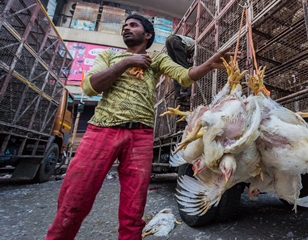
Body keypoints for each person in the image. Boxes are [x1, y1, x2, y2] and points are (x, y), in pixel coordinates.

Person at [45, 14, 238, 240]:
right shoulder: (109, 56)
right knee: (74, 198)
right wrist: (127, 61)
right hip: (101, 130)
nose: (126, 28)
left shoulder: (155, 60)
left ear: (147, 35)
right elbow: (90, 87)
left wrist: (208, 64)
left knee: (133, 207)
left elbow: (184, 77)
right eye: (124, 26)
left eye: (133, 25)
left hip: (140, 135)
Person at [165, 34, 195, 102]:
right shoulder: (196, 44)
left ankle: (178, 94)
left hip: (169, 40)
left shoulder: (187, 42)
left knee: (176, 70)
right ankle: (184, 91)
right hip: (176, 40)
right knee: (183, 66)